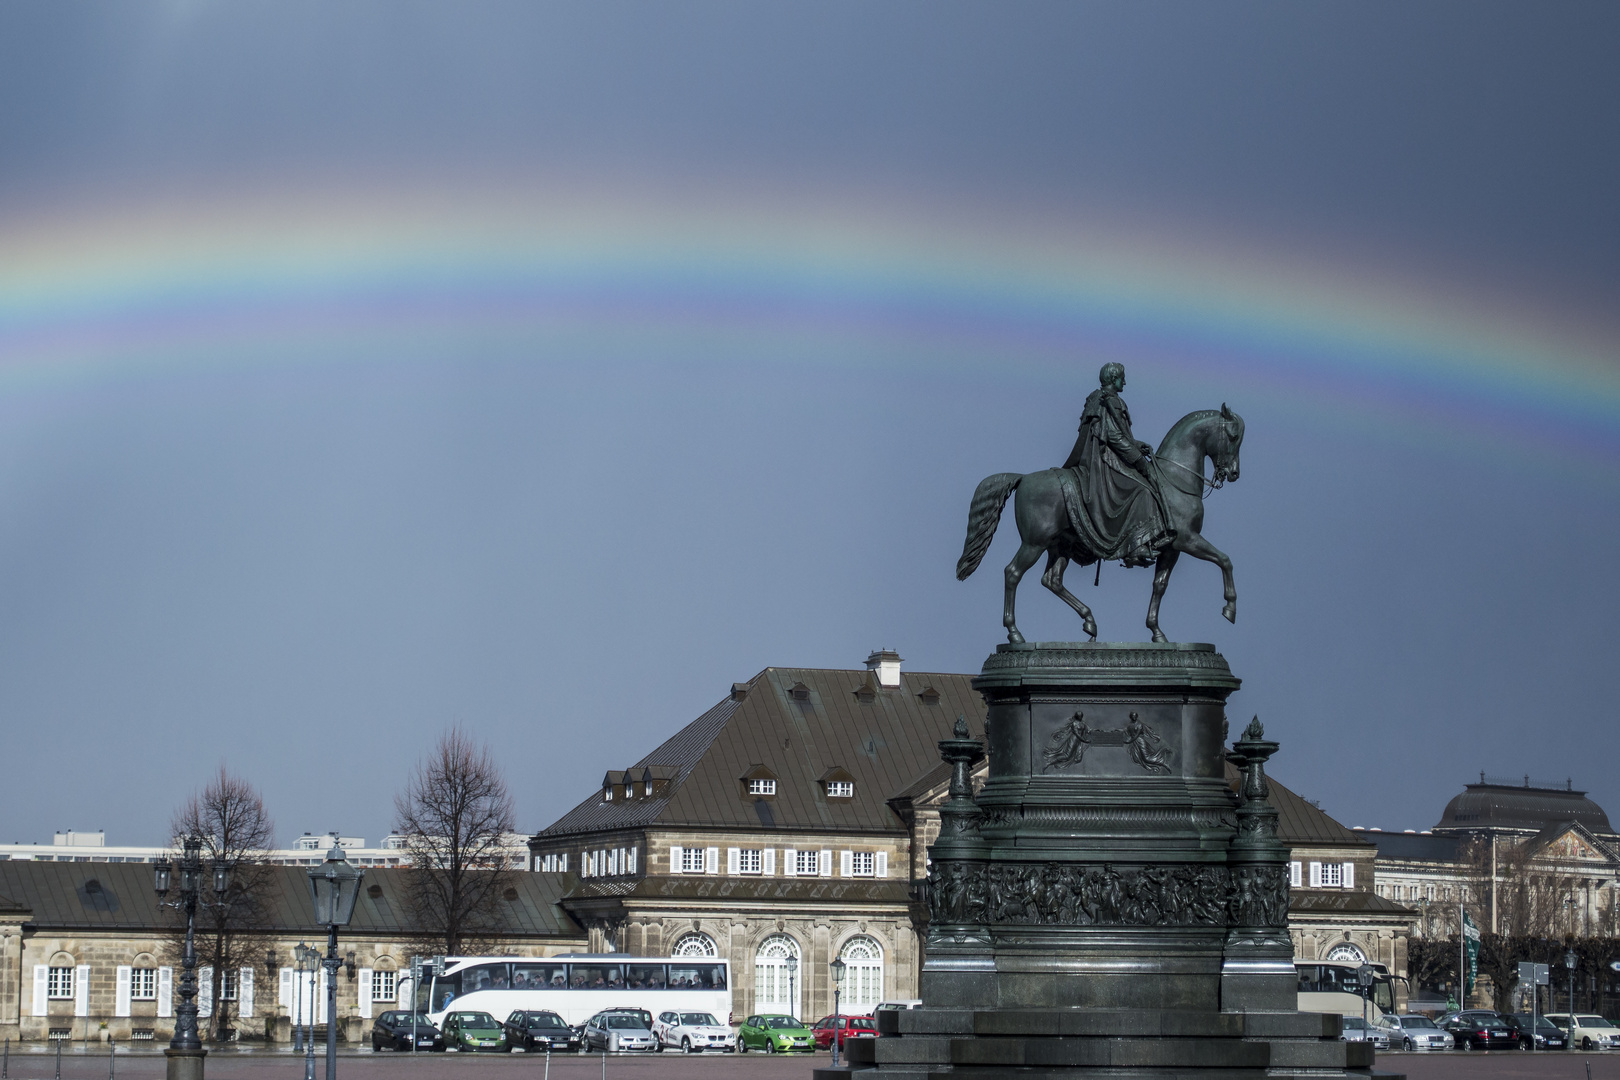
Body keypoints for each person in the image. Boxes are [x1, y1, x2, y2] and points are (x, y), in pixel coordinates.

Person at [1060, 363, 1172, 567]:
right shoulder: (1106, 401)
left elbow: (1119, 434)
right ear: (1113, 379)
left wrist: (1136, 443)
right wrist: (1139, 460)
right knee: (1142, 491)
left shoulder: (1102, 399)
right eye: (1122, 378)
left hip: (1109, 456)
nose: (1125, 382)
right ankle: (1135, 547)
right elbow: (1113, 436)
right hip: (1104, 461)